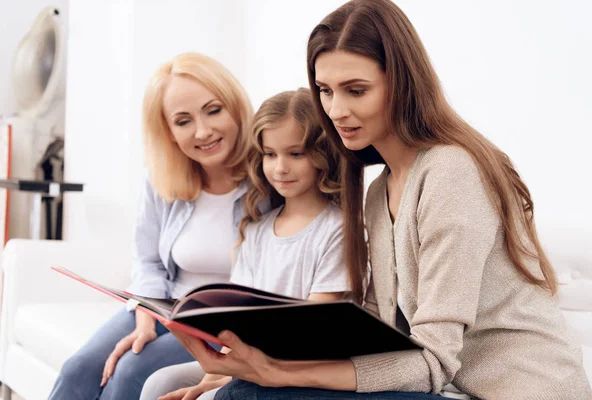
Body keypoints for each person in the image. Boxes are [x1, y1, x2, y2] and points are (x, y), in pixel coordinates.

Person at [168, 1, 592, 399]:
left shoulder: (450, 173)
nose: (334, 110)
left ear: (401, 84)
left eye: (356, 90)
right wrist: (252, 361)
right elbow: (379, 334)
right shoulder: (378, 191)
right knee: (242, 388)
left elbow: (433, 361)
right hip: (455, 388)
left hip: (518, 392)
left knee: (251, 393)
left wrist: (278, 374)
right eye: (325, 91)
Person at [48, 52, 260, 400]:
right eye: (183, 120)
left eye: (213, 110)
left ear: (235, 106)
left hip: (222, 325)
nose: (203, 131)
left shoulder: (269, 178)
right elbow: (147, 260)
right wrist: (146, 317)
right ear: (169, 131)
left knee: (129, 373)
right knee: (79, 370)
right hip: (162, 306)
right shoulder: (163, 178)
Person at [141, 88, 351, 400]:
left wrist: (220, 386)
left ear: (324, 154)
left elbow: (314, 332)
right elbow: (236, 324)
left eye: (295, 154)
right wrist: (213, 377)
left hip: (298, 367)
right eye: (270, 154)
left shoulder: (337, 230)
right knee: (159, 384)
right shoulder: (256, 231)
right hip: (248, 360)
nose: (280, 168)